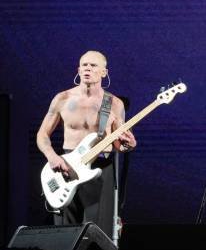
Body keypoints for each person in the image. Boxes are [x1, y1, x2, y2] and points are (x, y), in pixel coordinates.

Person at [36, 50, 137, 238]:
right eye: (84, 65)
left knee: (97, 234)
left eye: (93, 65)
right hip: (66, 167)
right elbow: (42, 134)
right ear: (78, 69)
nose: (88, 69)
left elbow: (119, 144)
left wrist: (128, 144)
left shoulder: (114, 104)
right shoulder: (63, 99)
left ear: (104, 72)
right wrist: (51, 156)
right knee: (64, 233)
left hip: (100, 167)